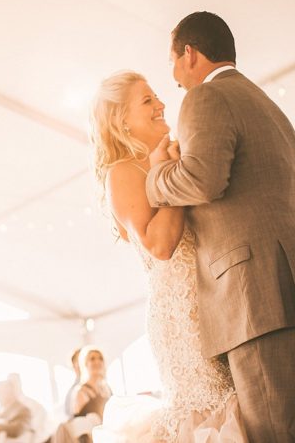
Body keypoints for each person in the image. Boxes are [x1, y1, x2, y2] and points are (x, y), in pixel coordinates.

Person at [146, 11, 295, 442]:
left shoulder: (206, 99)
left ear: (189, 54)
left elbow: (203, 179)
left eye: (172, 62)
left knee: (279, 434)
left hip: (263, 300)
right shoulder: (269, 107)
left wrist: (156, 176)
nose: (174, 79)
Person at [88, 70, 245, 441]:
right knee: (209, 414)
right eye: (147, 101)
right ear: (121, 119)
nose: (161, 105)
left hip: (219, 304)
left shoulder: (177, 155)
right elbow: (160, 246)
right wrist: (164, 173)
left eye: (157, 97)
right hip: (182, 319)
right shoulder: (122, 172)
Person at [50, 347, 110, 443]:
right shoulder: (80, 392)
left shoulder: (107, 389)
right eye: (92, 359)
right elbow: (79, 427)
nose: (97, 362)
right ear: (85, 364)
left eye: (100, 358)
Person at [5, 374, 47, 443]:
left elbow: (38, 425)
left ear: (20, 383)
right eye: (9, 384)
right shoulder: (5, 410)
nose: (12, 386)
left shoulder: (32, 405)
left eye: (14, 383)